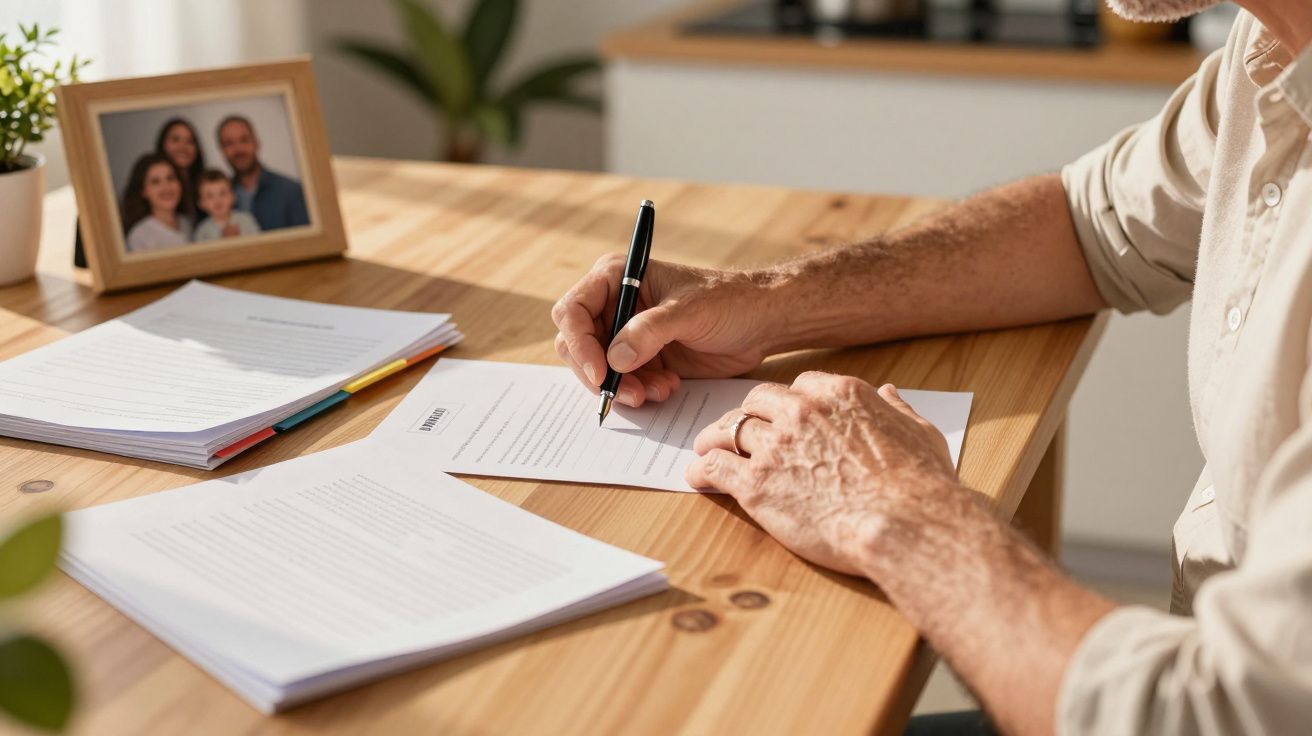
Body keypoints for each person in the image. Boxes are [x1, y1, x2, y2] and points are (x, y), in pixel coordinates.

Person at [552, 0, 1312, 734]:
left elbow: (1218, 719)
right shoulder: (1272, 44)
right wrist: (764, 302)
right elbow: (1092, 223)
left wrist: (893, 507)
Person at [216, 114, 309, 231]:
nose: (238, 149)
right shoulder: (217, 197)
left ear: (256, 143)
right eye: (229, 143)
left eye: (244, 140)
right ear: (222, 150)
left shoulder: (292, 192)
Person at [121, 154, 192, 253]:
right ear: (144, 191)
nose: (166, 187)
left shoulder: (187, 223)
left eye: (170, 178)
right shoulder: (139, 236)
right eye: (155, 182)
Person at [193, 169, 261, 242]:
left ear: (233, 197)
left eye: (222, 193)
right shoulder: (202, 231)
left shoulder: (247, 220)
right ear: (202, 203)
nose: (217, 200)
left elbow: (259, 244)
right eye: (210, 196)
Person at [155, 117, 205, 212]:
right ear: (163, 144)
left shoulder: (202, 187)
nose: (183, 147)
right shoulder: (155, 188)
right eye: (175, 140)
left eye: (190, 141)